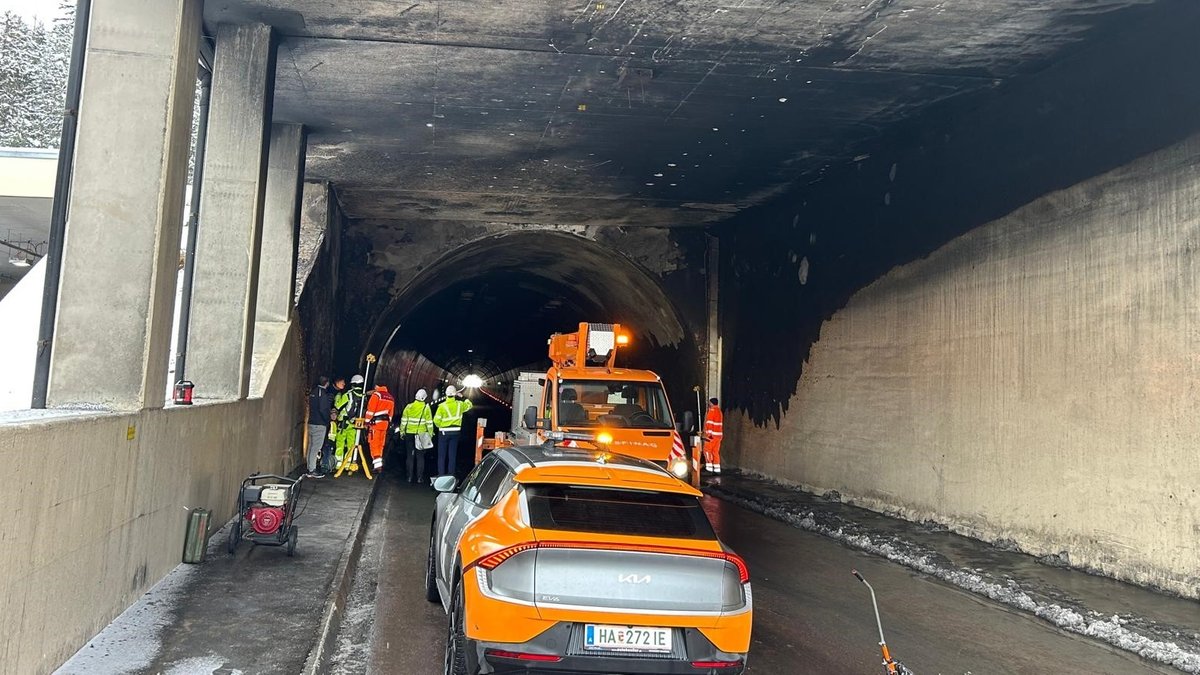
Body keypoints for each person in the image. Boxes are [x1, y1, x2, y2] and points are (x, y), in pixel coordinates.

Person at [433, 385, 473, 478]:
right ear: (455, 395)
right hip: (455, 433)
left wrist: (441, 427)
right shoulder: (460, 404)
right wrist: (463, 397)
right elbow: (470, 405)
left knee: (442, 455)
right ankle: (451, 474)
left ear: (446, 395)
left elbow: (436, 421)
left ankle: (441, 475)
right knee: (452, 455)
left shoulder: (442, 407)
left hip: (444, 433)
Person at [399, 388, 434, 484]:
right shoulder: (426, 408)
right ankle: (419, 478)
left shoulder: (409, 407)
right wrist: (430, 434)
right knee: (420, 457)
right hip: (421, 435)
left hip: (409, 434)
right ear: (424, 398)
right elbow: (429, 423)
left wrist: (402, 432)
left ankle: (409, 477)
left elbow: (403, 421)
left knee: (410, 456)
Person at [333, 374, 366, 470]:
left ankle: (338, 464)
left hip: (344, 424)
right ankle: (347, 464)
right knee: (351, 445)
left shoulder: (348, 394)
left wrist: (338, 397)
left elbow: (338, 406)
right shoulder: (363, 396)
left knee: (340, 443)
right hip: (355, 424)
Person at [365, 383, 396, 473]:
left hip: (375, 424)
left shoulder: (376, 395)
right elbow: (390, 414)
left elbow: (370, 410)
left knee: (374, 444)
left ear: (376, 387)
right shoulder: (391, 397)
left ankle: (377, 466)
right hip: (385, 424)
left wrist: (367, 422)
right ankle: (378, 465)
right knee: (380, 444)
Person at [306, 376, 333, 476]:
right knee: (315, 448)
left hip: (311, 422)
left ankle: (309, 467)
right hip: (319, 424)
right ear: (327, 383)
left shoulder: (313, 392)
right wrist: (327, 420)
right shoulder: (323, 394)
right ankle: (312, 470)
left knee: (310, 446)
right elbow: (323, 409)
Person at [704, 397, 724, 473]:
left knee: (707, 450)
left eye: (709, 403)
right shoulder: (719, 411)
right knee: (715, 452)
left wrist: (708, 434)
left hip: (712, 435)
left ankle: (709, 468)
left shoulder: (712, 411)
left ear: (711, 403)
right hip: (719, 436)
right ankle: (717, 468)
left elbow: (709, 423)